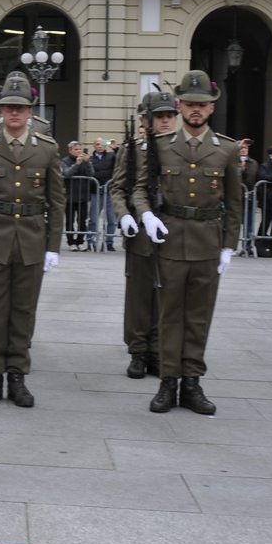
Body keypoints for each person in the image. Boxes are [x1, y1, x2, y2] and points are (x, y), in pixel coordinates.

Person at [133, 69, 242, 415]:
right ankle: (167, 382)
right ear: (179, 105)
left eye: (203, 105)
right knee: (169, 315)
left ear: (211, 109)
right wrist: (147, 215)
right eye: (190, 103)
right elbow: (139, 188)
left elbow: (235, 202)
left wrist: (229, 245)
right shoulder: (161, 146)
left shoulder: (225, 149)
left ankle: (192, 382)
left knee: (199, 316)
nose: (196, 110)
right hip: (170, 238)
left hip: (207, 241)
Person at [0, 75, 64, 407]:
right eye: (9, 107)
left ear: (30, 112)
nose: (14, 113)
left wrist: (53, 246)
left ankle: (17, 374)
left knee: (23, 311)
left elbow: (57, 201)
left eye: (20, 108)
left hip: (32, 240)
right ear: (1, 110)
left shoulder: (46, 149)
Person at [112, 91, 178, 379]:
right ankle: (138, 350)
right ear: (145, 120)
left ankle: (158, 349)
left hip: (173, 231)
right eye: (158, 116)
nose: (165, 121)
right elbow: (117, 188)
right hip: (140, 231)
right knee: (140, 295)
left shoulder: (181, 149)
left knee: (166, 295)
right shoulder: (133, 149)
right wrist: (125, 215)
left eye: (169, 116)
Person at [63, 140, 94, 249]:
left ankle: (80, 241)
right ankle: (71, 242)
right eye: (76, 149)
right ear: (70, 150)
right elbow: (67, 173)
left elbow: (91, 174)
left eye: (80, 149)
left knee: (82, 220)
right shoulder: (65, 161)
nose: (79, 151)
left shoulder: (85, 161)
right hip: (70, 196)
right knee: (70, 221)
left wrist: (88, 162)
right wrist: (77, 164)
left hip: (83, 196)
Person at [89, 138, 116, 251]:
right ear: (94, 146)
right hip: (96, 191)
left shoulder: (111, 156)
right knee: (93, 219)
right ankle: (91, 240)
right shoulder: (90, 159)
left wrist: (117, 149)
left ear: (105, 145)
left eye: (102, 144)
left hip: (109, 191)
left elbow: (121, 160)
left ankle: (109, 241)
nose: (100, 146)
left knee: (112, 219)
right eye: (97, 144)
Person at [235, 137, 260, 255]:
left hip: (250, 197)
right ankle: (231, 247)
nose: (244, 150)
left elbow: (257, 178)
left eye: (246, 148)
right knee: (234, 224)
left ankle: (248, 246)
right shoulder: (234, 162)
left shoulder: (254, 163)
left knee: (249, 224)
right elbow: (237, 177)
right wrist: (241, 166)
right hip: (236, 198)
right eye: (242, 148)